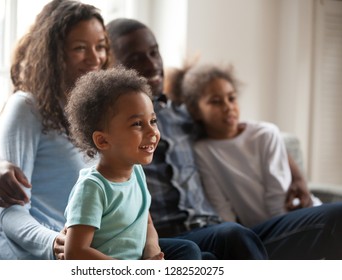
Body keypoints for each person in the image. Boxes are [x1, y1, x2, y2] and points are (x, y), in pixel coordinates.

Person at [0, 0, 205, 261]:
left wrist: (149, 248)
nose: (95, 58)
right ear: (53, 54)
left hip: (99, 245)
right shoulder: (27, 107)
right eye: (80, 48)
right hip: (46, 249)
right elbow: (12, 212)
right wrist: (52, 242)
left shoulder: (104, 110)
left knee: (203, 250)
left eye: (101, 46)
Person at [106, 18, 342, 260]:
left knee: (335, 216)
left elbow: (254, 133)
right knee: (232, 235)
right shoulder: (110, 127)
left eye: (154, 52)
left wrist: (299, 177)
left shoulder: (186, 116)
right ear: (111, 65)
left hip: (220, 230)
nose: (152, 64)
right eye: (135, 59)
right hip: (173, 241)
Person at [180, 64, 321, 227]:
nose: (228, 107)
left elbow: (278, 197)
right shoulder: (203, 151)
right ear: (196, 111)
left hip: (299, 219)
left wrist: (285, 236)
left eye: (232, 98)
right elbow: (222, 207)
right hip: (262, 233)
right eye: (216, 102)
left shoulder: (265, 134)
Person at [64, 67, 163, 260]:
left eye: (153, 121)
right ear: (102, 141)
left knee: (196, 252)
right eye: (137, 124)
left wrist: (152, 251)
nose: (152, 132)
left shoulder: (137, 173)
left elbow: (147, 223)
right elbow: (74, 253)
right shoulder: (92, 188)